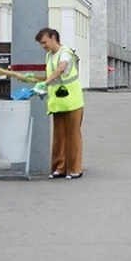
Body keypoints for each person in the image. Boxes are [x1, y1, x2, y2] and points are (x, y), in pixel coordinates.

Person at [26, 28, 85, 179]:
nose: (43, 46)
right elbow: (50, 75)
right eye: (41, 43)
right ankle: (60, 168)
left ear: (54, 38)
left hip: (72, 100)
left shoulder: (65, 52)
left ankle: (75, 168)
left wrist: (44, 83)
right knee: (59, 136)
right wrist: (36, 79)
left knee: (73, 134)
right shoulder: (49, 56)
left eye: (44, 42)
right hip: (58, 102)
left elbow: (61, 68)